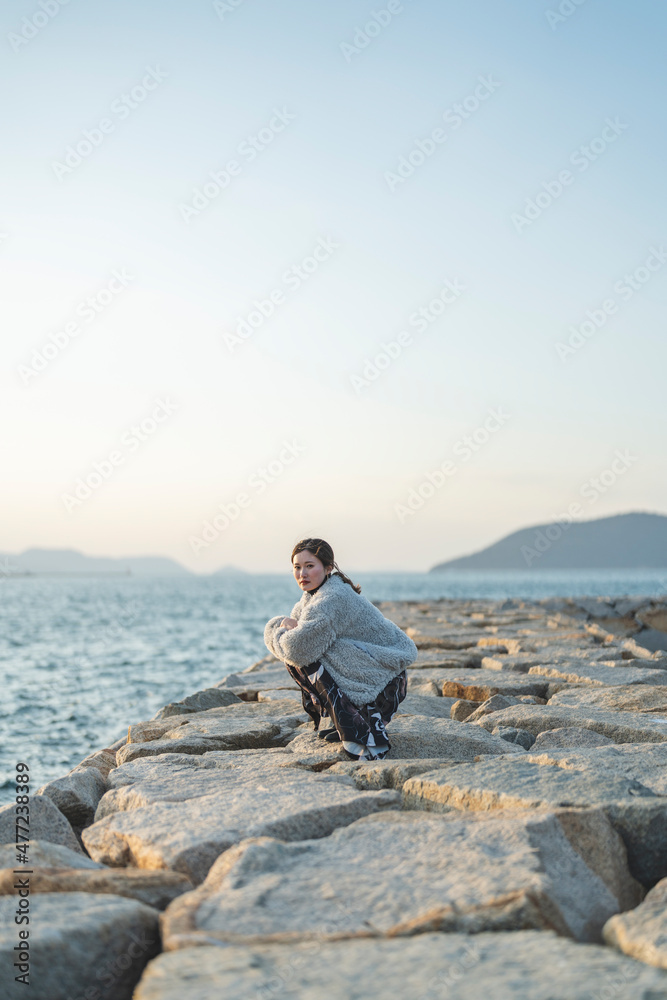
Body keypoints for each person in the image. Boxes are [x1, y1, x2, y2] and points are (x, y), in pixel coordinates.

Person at [264, 538, 418, 761]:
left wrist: (279, 629)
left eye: (310, 566)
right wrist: (283, 627)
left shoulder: (332, 598)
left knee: (308, 657)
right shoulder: (312, 597)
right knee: (306, 651)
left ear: (328, 568)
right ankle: (345, 722)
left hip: (386, 683)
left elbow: (296, 648)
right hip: (372, 673)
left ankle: (358, 732)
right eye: (297, 567)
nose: (302, 574)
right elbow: (294, 638)